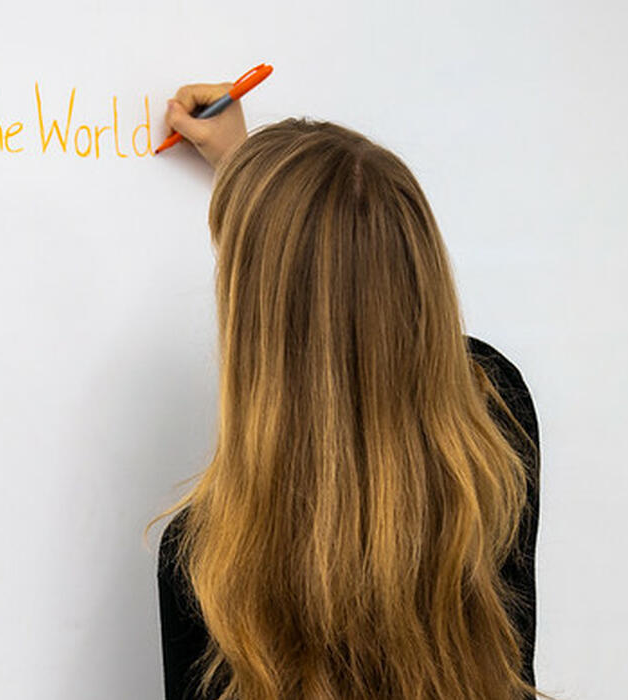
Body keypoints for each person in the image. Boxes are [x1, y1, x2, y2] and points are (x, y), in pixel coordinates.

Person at [147, 81, 547, 700]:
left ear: (251, 311)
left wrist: (263, 202)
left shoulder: (207, 564)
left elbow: (322, 314)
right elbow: (356, 312)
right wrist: (263, 186)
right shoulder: (493, 422)